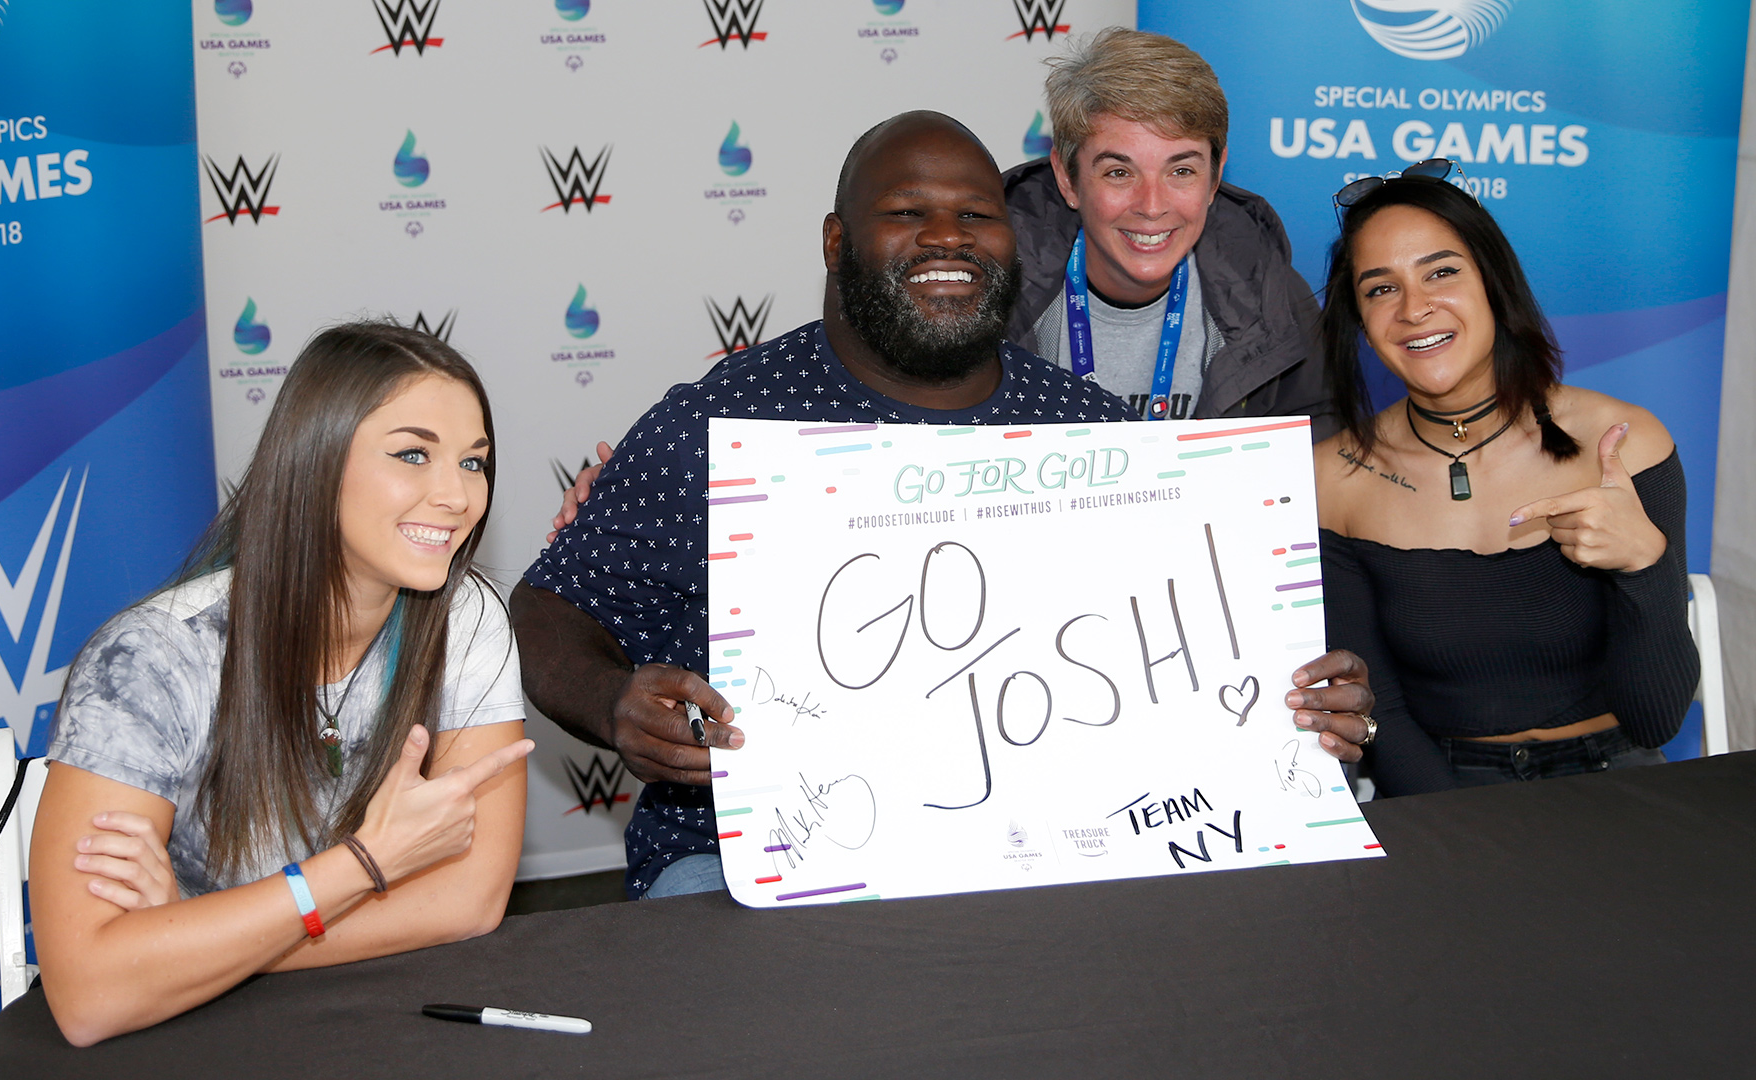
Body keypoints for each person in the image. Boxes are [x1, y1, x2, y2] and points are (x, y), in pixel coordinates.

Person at [514, 110, 1378, 900]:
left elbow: (1183, 658)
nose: (946, 236)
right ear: (836, 242)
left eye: (975, 214)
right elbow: (549, 608)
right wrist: (614, 700)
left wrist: (1297, 706)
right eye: (906, 212)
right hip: (747, 858)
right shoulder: (724, 421)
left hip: (1056, 850)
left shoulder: (1089, 430)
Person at [30, 322, 534, 1045]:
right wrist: (366, 864)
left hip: (376, 1020)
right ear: (315, 462)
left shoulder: (469, 619)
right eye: (413, 454)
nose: (457, 495)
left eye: (473, 462)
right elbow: (89, 999)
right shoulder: (150, 658)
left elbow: (468, 901)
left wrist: (196, 937)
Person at [1313, 167, 1700, 796]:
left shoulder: (1623, 443)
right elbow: (1382, 714)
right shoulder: (1333, 479)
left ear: (1493, 282)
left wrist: (1645, 564)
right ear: (1359, 317)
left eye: (1441, 272)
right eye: (1381, 288)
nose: (1414, 309)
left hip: (1616, 789)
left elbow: (1656, 721)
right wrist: (1466, 834)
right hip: (1439, 796)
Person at [1001, 27, 1335, 436]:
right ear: (1067, 179)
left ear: (1214, 178)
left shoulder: (1270, 293)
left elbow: (1316, 448)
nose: (1152, 205)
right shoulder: (990, 295)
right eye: (1119, 172)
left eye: (1181, 171)